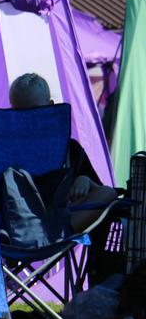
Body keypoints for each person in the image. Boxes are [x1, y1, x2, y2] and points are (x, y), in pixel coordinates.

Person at [8, 72, 117, 233]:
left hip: (60, 219)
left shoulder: (69, 149)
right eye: (20, 112)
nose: (29, 117)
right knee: (107, 194)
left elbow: (99, 192)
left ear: (51, 106)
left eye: (34, 110)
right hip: (24, 224)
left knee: (107, 193)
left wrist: (85, 179)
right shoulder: (8, 150)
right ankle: (54, 235)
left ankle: (56, 234)